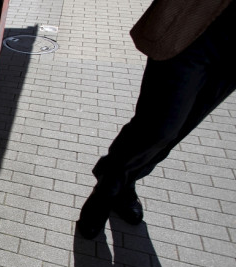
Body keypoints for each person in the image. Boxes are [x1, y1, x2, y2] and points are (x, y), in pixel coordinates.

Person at [77, 0, 236, 239]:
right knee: (157, 129)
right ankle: (107, 189)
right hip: (195, 31)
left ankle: (125, 182)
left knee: (178, 131)